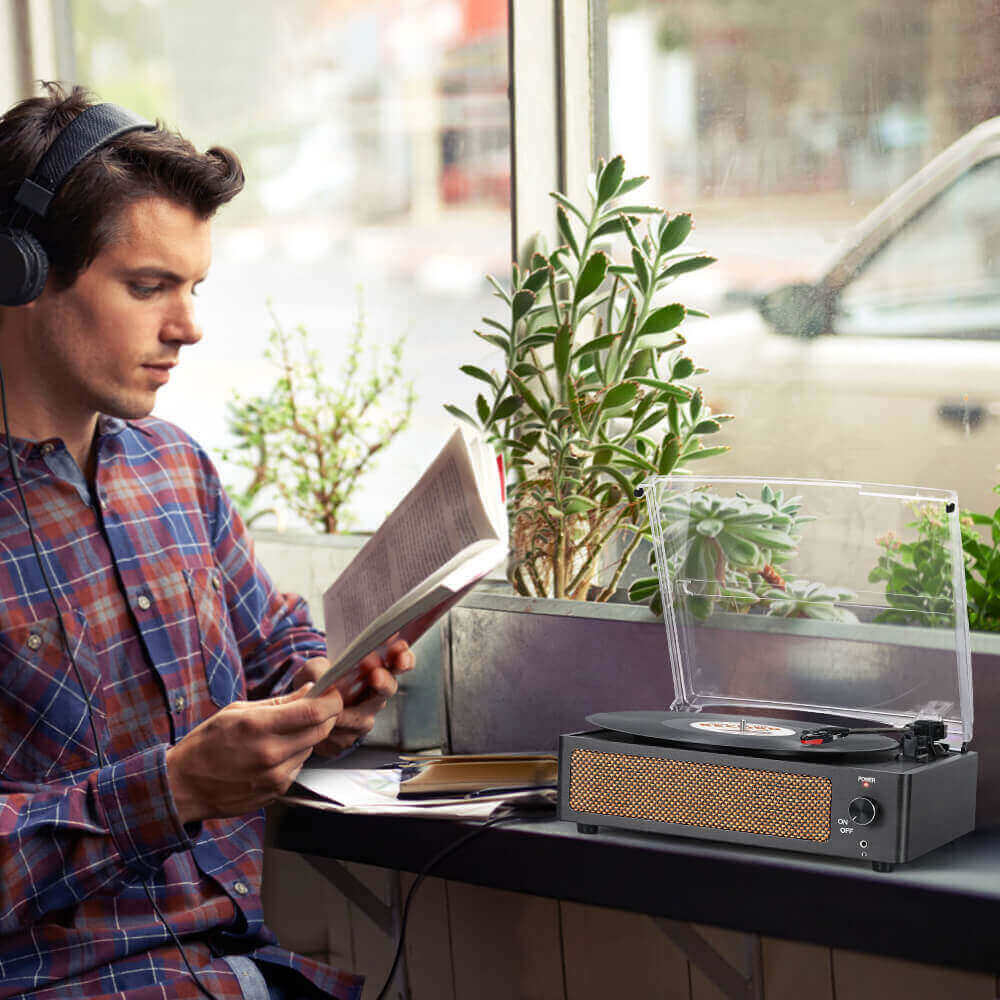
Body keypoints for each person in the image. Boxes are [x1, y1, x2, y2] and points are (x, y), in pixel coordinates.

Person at [0, 83, 413, 999]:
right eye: (149, 287)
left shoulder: (173, 469)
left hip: (259, 963)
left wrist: (324, 696)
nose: (188, 327)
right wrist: (177, 788)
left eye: (192, 288)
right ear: (19, 272)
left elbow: (274, 654)